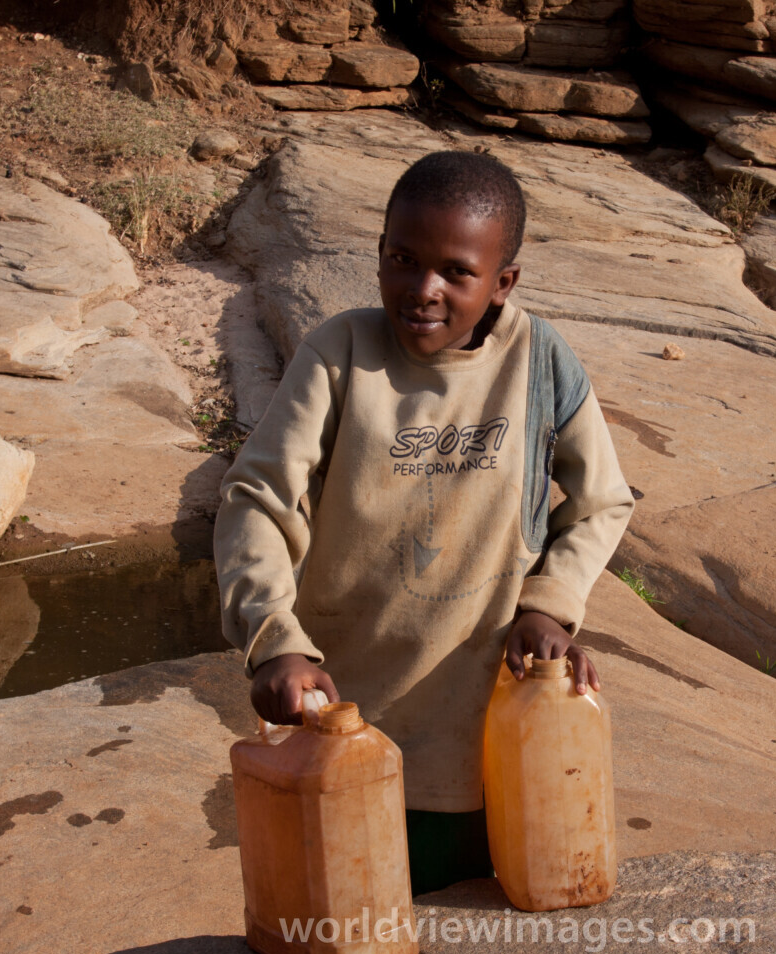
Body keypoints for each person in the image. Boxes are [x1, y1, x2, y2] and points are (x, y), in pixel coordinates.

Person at [215, 150, 634, 893]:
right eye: (402, 259)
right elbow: (258, 499)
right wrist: (274, 642)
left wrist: (550, 606)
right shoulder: (339, 355)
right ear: (378, 252)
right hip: (346, 714)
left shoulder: (541, 362)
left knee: (491, 911)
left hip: (491, 725)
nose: (423, 290)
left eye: (457, 272)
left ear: (503, 282)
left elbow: (603, 501)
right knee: (356, 912)